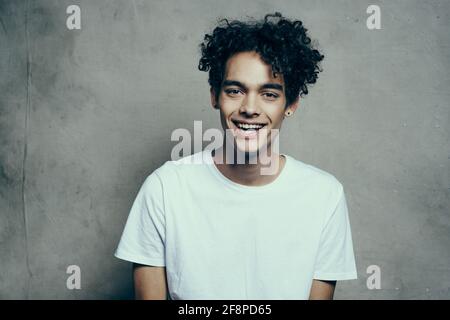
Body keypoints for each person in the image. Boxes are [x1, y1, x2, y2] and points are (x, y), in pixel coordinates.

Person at [114, 12, 357, 300]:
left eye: (269, 94)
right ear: (214, 95)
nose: (250, 108)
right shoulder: (165, 188)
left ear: (291, 103)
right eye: (235, 90)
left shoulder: (324, 195)